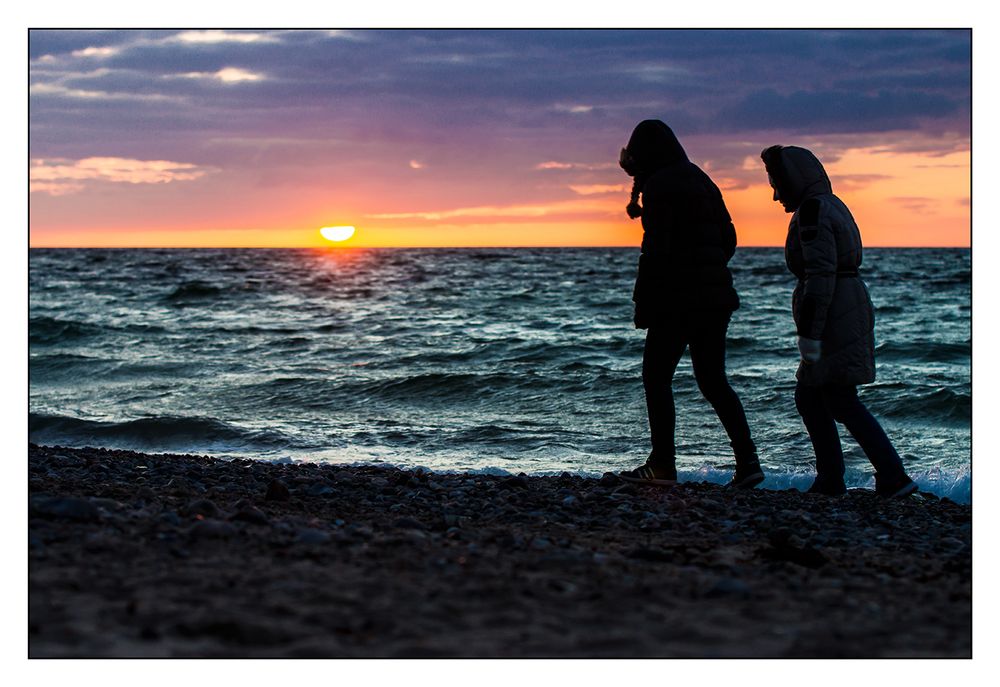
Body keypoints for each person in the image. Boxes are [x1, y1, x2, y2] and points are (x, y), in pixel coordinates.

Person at [760, 144, 917, 498]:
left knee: (836, 397)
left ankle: (888, 476)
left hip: (834, 313)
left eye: (776, 184)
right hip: (846, 305)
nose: (774, 194)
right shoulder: (831, 205)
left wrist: (810, 334)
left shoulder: (813, 211)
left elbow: (819, 275)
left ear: (793, 180)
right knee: (815, 395)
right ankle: (837, 478)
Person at [617, 120, 763, 489]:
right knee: (714, 380)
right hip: (715, 299)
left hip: (676, 300)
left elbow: (656, 253)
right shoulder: (700, 178)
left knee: (656, 376)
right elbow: (729, 238)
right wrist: (708, 267)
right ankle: (748, 462)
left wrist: (643, 303)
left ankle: (663, 464)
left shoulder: (660, 185)